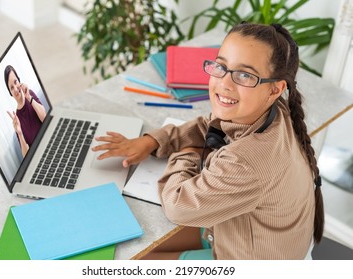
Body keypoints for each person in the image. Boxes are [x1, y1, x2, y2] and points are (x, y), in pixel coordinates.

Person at [92, 22, 324, 260]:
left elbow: (177, 206)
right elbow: (209, 124)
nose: (225, 83)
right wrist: (153, 141)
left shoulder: (246, 162)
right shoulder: (274, 109)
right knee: (134, 244)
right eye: (221, 66)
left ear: (275, 89)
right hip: (268, 240)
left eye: (245, 75)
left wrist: (187, 153)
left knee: (129, 260)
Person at [4, 65, 47, 157]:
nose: (15, 89)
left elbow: (45, 118)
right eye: (11, 88)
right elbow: (26, 156)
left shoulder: (30, 94)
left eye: (15, 82)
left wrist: (29, 98)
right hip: (39, 156)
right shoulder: (17, 119)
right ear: (10, 93)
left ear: (19, 80)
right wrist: (19, 133)